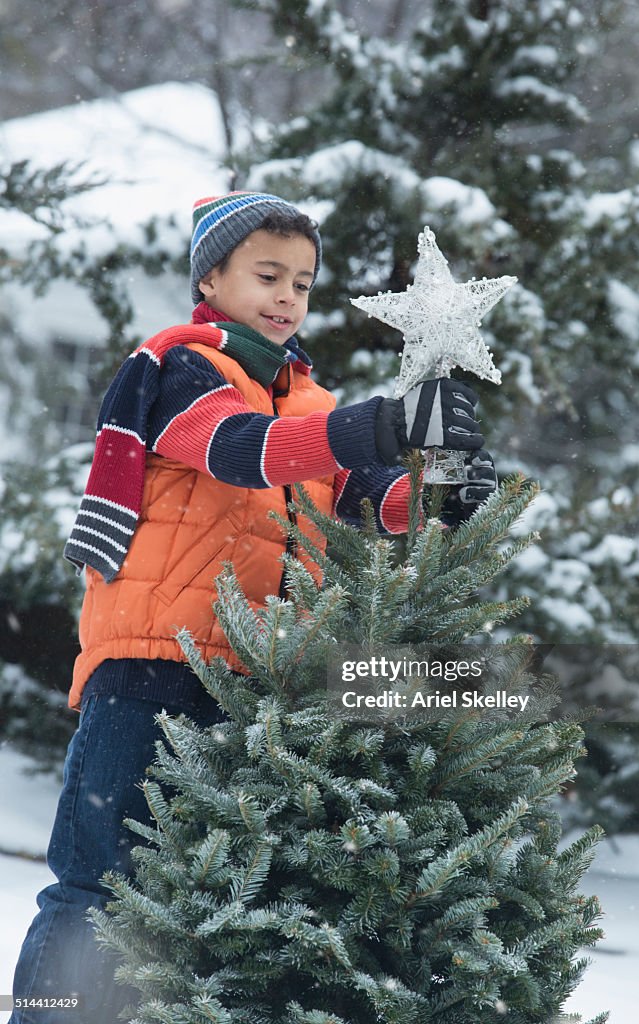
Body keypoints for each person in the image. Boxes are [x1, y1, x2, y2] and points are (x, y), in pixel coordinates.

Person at [9, 191, 497, 1023]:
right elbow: (239, 452)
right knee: (100, 879)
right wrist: (380, 423)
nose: (286, 298)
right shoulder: (175, 367)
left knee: (207, 904)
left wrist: (443, 493)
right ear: (211, 277)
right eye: (266, 275)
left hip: (260, 689)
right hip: (152, 666)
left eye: (302, 284)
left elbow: (367, 505)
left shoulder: (313, 406)